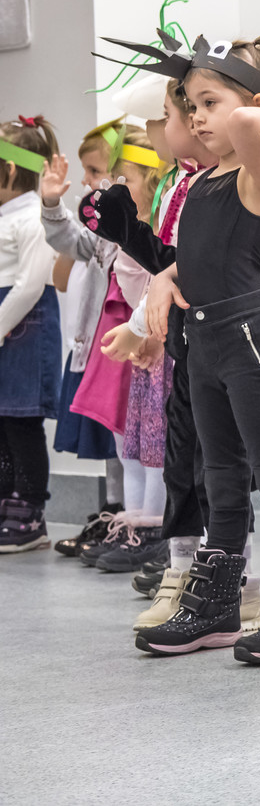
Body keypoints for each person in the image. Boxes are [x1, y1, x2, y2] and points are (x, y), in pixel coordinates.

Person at [98, 32, 260, 658]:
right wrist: (138, 267)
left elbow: (250, 124)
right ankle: (219, 605)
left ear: (254, 107)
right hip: (203, 343)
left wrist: (250, 106)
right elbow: (187, 266)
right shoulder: (198, 184)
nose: (196, 117)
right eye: (190, 105)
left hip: (250, 339)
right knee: (219, 475)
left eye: (208, 103)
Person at [39, 123, 160, 570]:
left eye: (101, 173)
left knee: (150, 439)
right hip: (113, 338)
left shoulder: (158, 223)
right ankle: (129, 521)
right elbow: (72, 242)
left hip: (148, 339)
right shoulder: (107, 229)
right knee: (123, 437)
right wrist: (52, 205)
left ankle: (151, 527)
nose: (95, 183)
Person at [0, 116, 62, 553]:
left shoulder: (33, 217)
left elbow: (30, 285)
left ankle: (30, 511)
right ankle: (6, 499)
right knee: (3, 420)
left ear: (8, 170)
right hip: (8, 325)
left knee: (22, 421)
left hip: (24, 327)